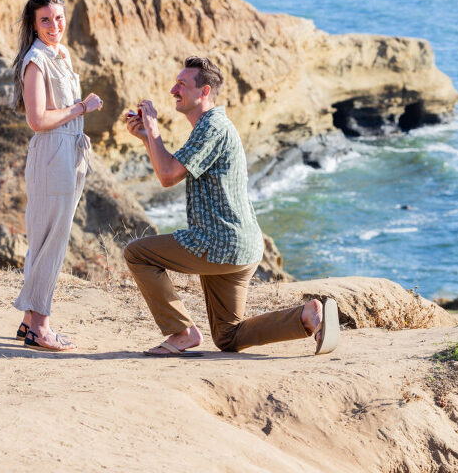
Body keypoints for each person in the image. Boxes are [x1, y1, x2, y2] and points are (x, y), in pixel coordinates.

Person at [123, 56, 339, 356]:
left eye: (182, 84)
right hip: (240, 246)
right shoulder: (211, 127)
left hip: (219, 243)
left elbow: (169, 174)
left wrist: (153, 128)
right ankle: (306, 316)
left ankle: (181, 332)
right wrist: (148, 138)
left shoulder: (212, 127)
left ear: (205, 92)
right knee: (227, 337)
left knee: (136, 253)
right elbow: (166, 172)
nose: (174, 89)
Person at [10, 0, 103, 351]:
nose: (54, 25)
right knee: (51, 240)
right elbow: (37, 120)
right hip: (52, 152)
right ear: (33, 25)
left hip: (70, 151)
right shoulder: (36, 61)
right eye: (45, 20)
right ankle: (41, 328)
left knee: (48, 236)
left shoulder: (60, 53)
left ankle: (28, 321)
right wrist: (81, 108)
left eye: (59, 18)